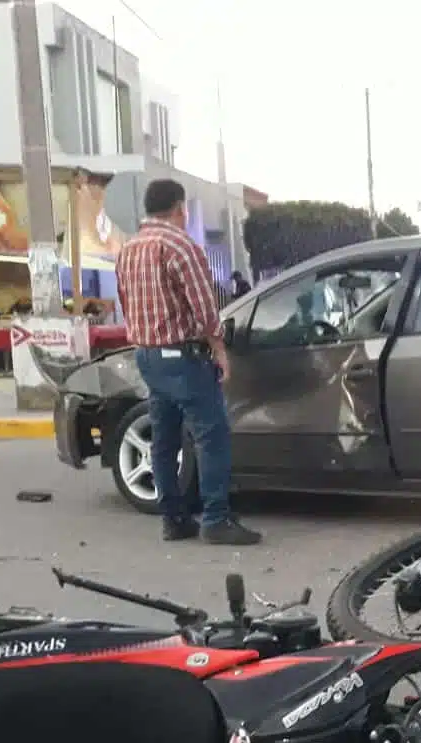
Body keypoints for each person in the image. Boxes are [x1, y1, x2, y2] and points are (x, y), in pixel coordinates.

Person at [115, 178, 260, 545]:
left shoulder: (129, 249)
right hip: (183, 357)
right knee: (211, 436)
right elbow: (204, 307)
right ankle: (216, 518)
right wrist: (219, 349)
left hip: (148, 356)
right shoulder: (180, 245)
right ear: (180, 208)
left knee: (164, 440)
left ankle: (174, 519)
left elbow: (126, 303)